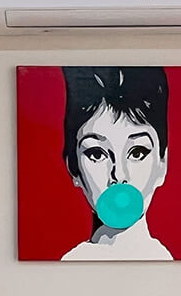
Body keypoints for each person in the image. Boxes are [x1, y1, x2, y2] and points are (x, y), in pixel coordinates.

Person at [59, 66, 172, 260]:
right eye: (97, 154)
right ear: (73, 168)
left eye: (137, 152)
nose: (119, 176)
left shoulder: (165, 261)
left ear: (162, 164)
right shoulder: (70, 263)